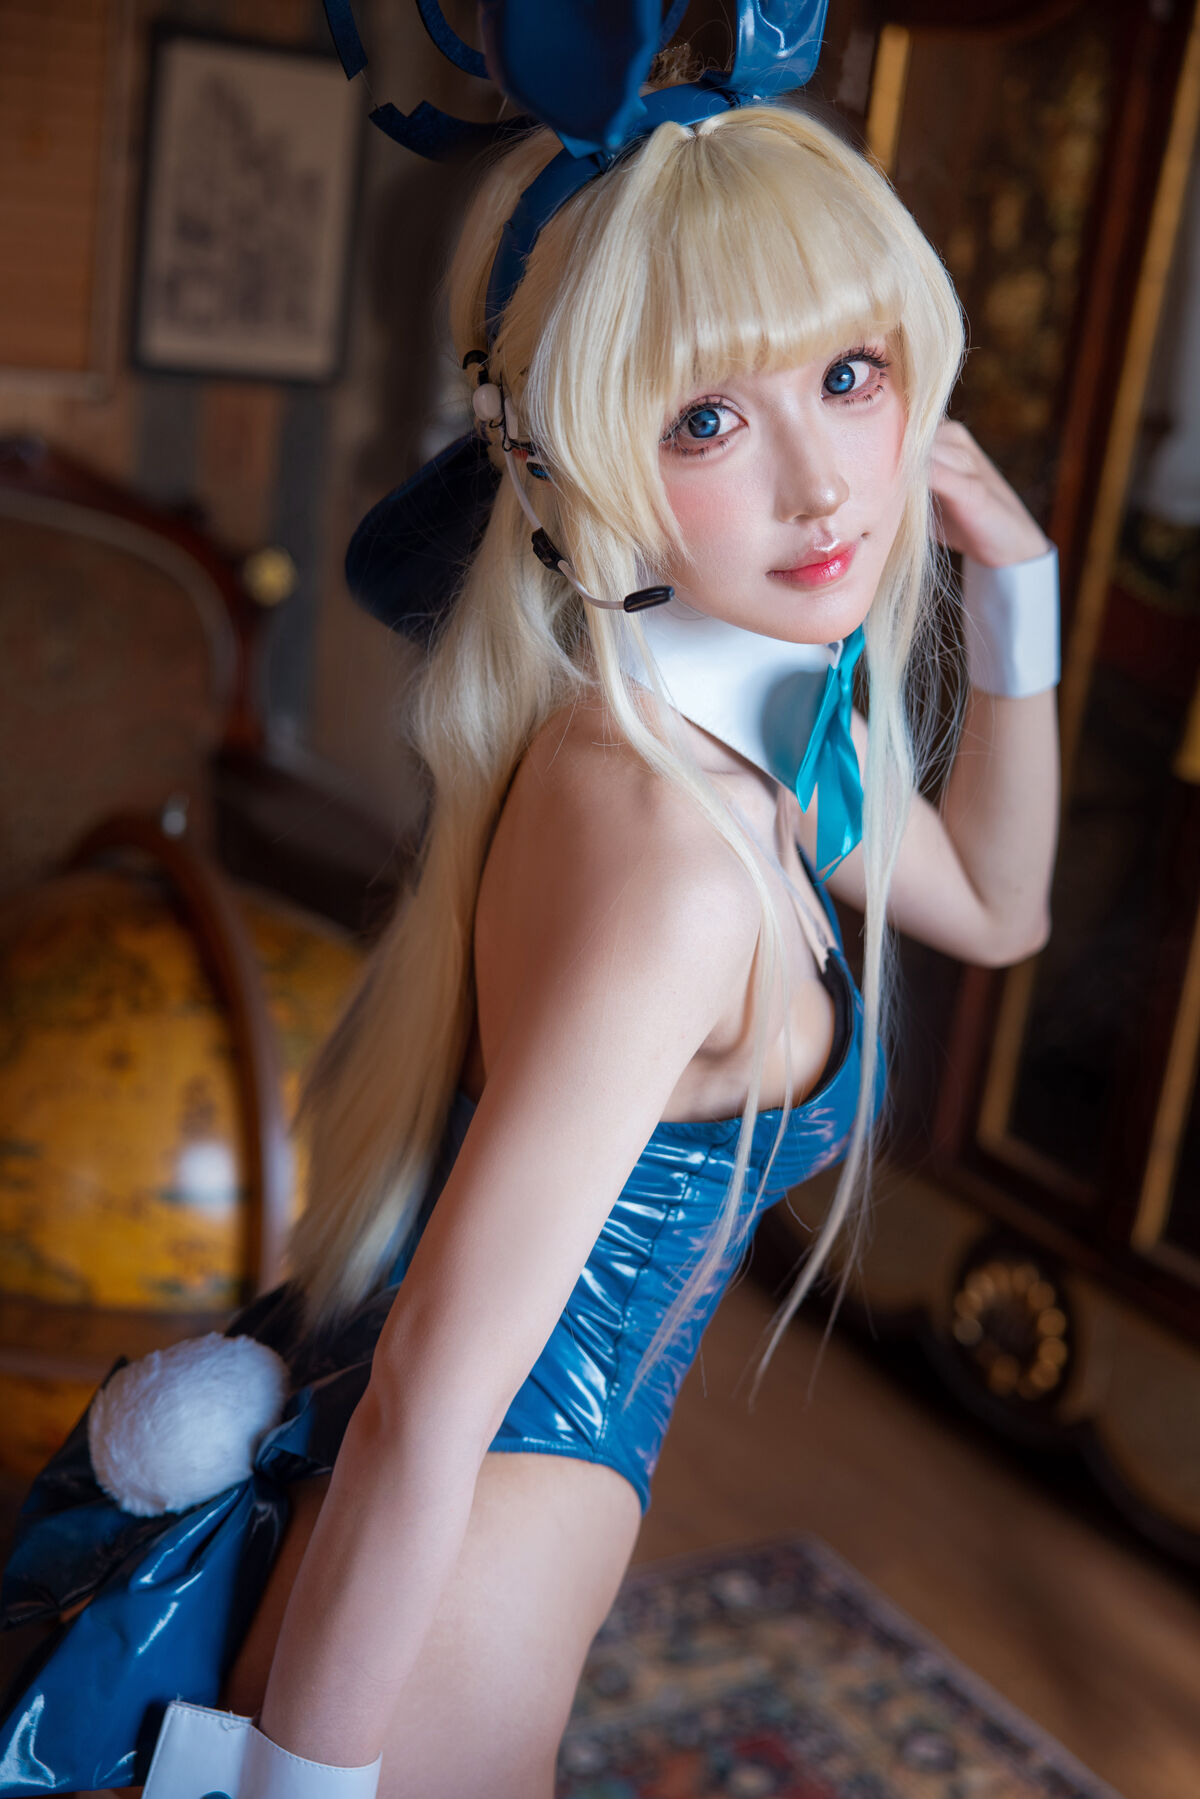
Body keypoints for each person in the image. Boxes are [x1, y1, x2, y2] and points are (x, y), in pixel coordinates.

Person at [0, 6, 1061, 1794]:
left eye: (850, 375)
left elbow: (1003, 910)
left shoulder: (742, 718)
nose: (823, 483)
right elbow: (433, 1388)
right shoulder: (670, 851)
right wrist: (297, 1783)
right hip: (462, 1572)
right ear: (575, 457)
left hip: (485, 1527)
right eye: (709, 415)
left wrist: (1015, 583)